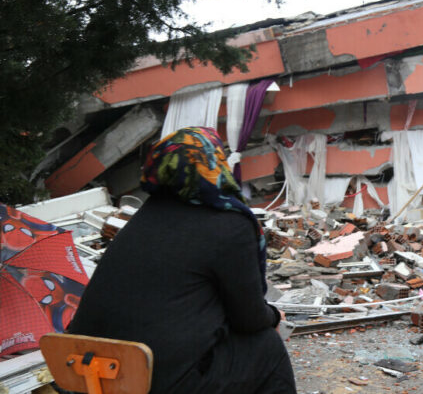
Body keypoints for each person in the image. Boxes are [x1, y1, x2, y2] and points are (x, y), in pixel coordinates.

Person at [68, 127, 296, 394]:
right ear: (215, 165)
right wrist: (273, 315)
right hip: (156, 381)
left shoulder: (145, 215)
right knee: (267, 345)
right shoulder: (229, 224)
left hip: (86, 373)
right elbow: (248, 319)